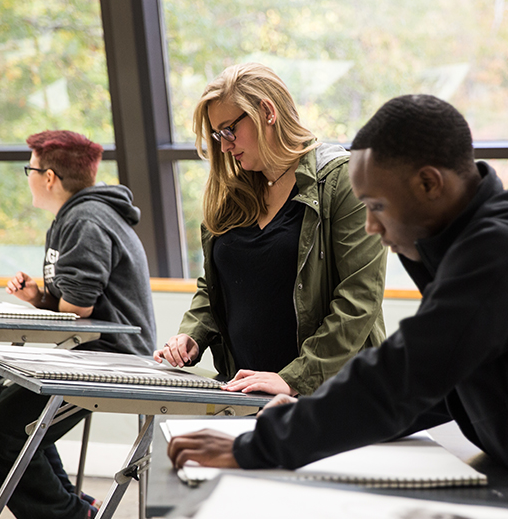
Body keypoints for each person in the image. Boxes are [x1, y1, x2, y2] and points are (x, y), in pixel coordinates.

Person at [168, 94, 508, 513]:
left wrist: (256, 445)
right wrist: (310, 413)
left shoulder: (504, 249)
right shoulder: (461, 245)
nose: (370, 226)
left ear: (429, 184)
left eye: (376, 206)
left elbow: (407, 374)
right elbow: (442, 380)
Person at [0, 130, 156, 519]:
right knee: (8, 418)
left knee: (1, 434)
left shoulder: (87, 220)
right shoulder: (78, 216)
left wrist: (50, 302)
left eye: (30, 170)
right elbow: (74, 303)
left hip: (114, 359)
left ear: (50, 176)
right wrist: (40, 298)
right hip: (90, 351)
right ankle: (75, 512)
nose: (29, 178)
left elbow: (78, 308)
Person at [154, 62, 387, 397]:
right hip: (244, 395)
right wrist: (194, 333)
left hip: (328, 399)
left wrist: (295, 378)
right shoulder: (234, 192)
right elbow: (215, 286)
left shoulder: (343, 181)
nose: (224, 146)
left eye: (229, 130)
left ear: (266, 111)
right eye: (218, 135)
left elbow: (359, 301)